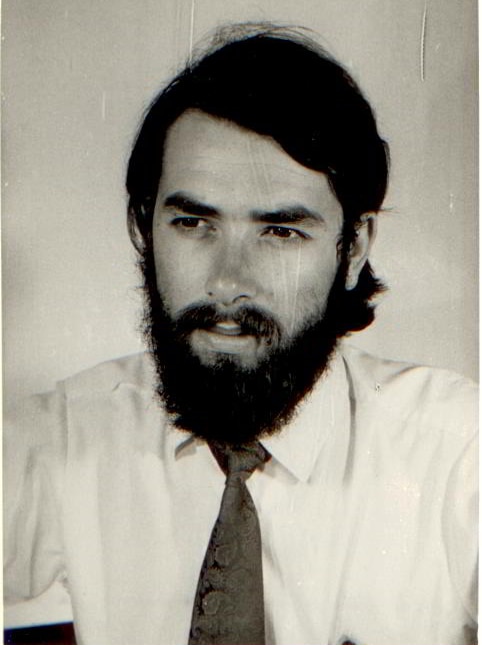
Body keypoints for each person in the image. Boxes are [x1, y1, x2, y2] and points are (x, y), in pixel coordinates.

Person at [4, 23, 477, 645]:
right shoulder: (52, 444)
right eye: (194, 221)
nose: (229, 281)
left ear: (353, 248)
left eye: (281, 231)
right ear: (143, 230)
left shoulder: (459, 452)